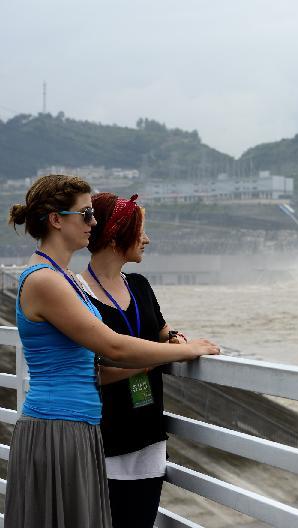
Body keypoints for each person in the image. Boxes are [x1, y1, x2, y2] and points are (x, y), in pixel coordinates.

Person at [5, 174, 220, 528]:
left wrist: (160, 352)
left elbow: (95, 361)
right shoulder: (45, 280)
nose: (93, 223)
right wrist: (184, 350)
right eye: (85, 214)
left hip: (78, 426)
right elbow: (111, 345)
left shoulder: (65, 278)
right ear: (57, 220)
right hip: (59, 425)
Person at [73, 192, 178, 527]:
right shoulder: (75, 293)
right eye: (140, 231)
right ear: (117, 236)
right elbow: (95, 370)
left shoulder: (140, 286)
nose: (146, 239)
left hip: (148, 436)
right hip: (102, 439)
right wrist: (158, 358)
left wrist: (175, 341)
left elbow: (164, 333)